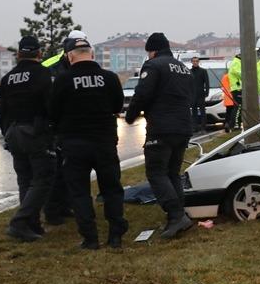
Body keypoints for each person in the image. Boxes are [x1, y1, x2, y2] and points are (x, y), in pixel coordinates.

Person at [48, 36, 127, 249]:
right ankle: (115, 235)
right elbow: (117, 106)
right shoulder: (109, 78)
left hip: (74, 144)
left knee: (79, 192)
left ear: (69, 57)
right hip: (104, 142)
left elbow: (53, 112)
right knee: (111, 189)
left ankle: (90, 238)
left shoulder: (63, 80)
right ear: (92, 55)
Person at [125, 32, 193, 239]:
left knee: (156, 172)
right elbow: (191, 96)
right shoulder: (184, 68)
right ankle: (180, 214)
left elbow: (142, 94)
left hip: (162, 128)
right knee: (172, 173)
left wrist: (130, 115)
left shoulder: (153, 66)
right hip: (183, 127)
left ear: (152, 51)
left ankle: (175, 215)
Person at [0, 36, 55, 242]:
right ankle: (19, 222)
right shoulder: (42, 74)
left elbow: (1, 110)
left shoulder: (8, 77)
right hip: (34, 131)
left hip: (13, 132)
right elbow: (50, 105)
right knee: (43, 179)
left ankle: (31, 225)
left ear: (19, 54)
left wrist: (6, 132)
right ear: (39, 54)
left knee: (25, 180)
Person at [41, 30, 88, 226]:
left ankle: (67, 205)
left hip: (73, 125)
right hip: (55, 125)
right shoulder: (50, 66)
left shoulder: (81, 63)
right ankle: (53, 211)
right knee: (56, 171)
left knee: (71, 170)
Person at [189, 54, 210, 132]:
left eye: (196, 61)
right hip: (192, 95)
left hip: (201, 94)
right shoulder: (189, 71)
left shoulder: (203, 71)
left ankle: (203, 127)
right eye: (194, 61)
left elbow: (207, 83)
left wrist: (207, 92)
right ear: (191, 62)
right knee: (193, 112)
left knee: (202, 112)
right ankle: (195, 127)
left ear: (198, 62)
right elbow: (188, 83)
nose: (195, 62)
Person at [227, 52, 243, 131]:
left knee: (239, 107)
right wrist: (248, 74)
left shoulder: (237, 62)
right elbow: (238, 72)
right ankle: (235, 125)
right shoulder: (236, 62)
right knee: (238, 107)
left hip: (238, 87)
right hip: (237, 88)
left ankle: (235, 124)